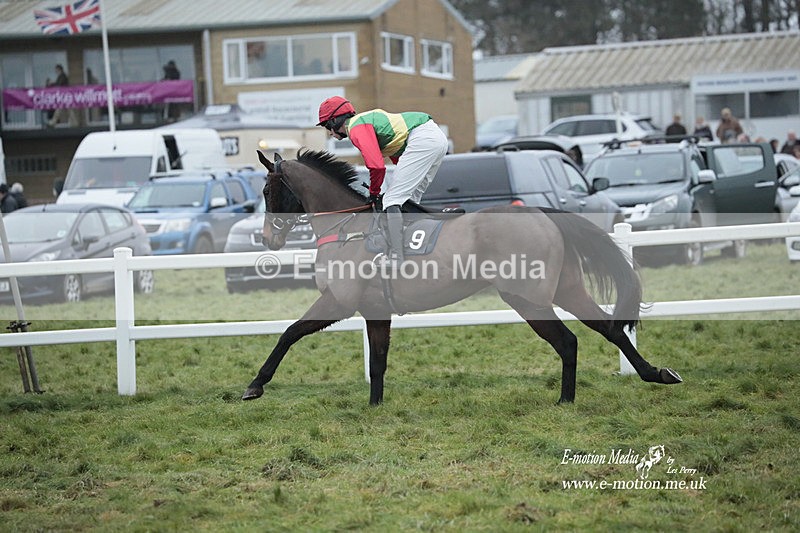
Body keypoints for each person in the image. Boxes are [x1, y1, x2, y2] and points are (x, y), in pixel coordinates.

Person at [316, 96, 448, 264]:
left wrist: (374, 193)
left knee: (392, 200)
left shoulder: (356, 128)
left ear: (335, 120)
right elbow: (397, 157)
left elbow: (377, 166)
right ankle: (414, 249)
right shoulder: (367, 122)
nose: (329, 132)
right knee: (407, 200)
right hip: (434, 138)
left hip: (423, 139)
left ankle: (396, 257)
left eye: (327, 125)